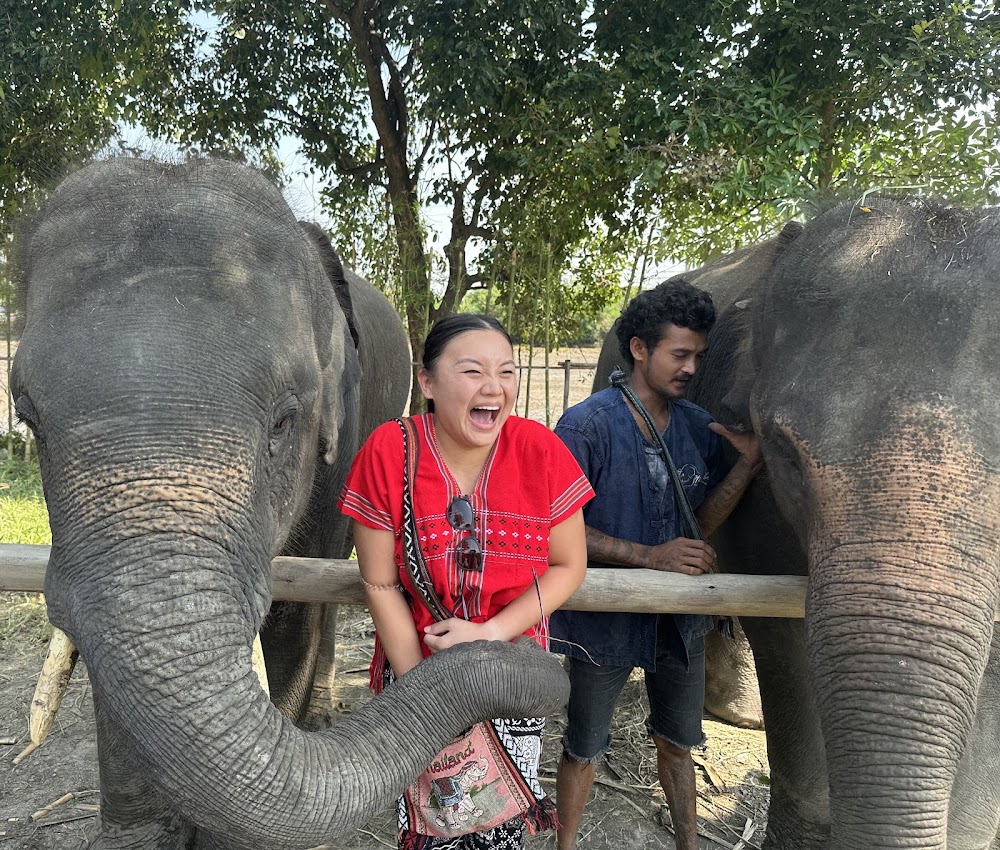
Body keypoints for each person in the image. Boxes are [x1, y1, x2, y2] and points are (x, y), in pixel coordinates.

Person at [338, 313, 594, 850]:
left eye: (506, 371)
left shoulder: (541, 452)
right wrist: (422, 693)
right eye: (473, 371)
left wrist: (491, 632)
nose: (494, 388)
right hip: (416, 677)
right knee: (436, 828)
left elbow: (569, 566)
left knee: (498, 829)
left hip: (511, 677)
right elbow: (380, 584)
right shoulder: (390, 451)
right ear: (427, 382)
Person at [549, 280, 763, 850]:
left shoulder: (695, 425)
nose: (692, 368)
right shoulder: (586, 426)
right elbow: (552, 529)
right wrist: (649, 556)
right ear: (640, 349)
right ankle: (564, 844)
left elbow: (701, 522)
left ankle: (688, 843)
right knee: (585, 746)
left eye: (699, 355)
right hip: (604, 620)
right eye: (680, 354)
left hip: (678, 619)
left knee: (677, 742)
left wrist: (746, 466)